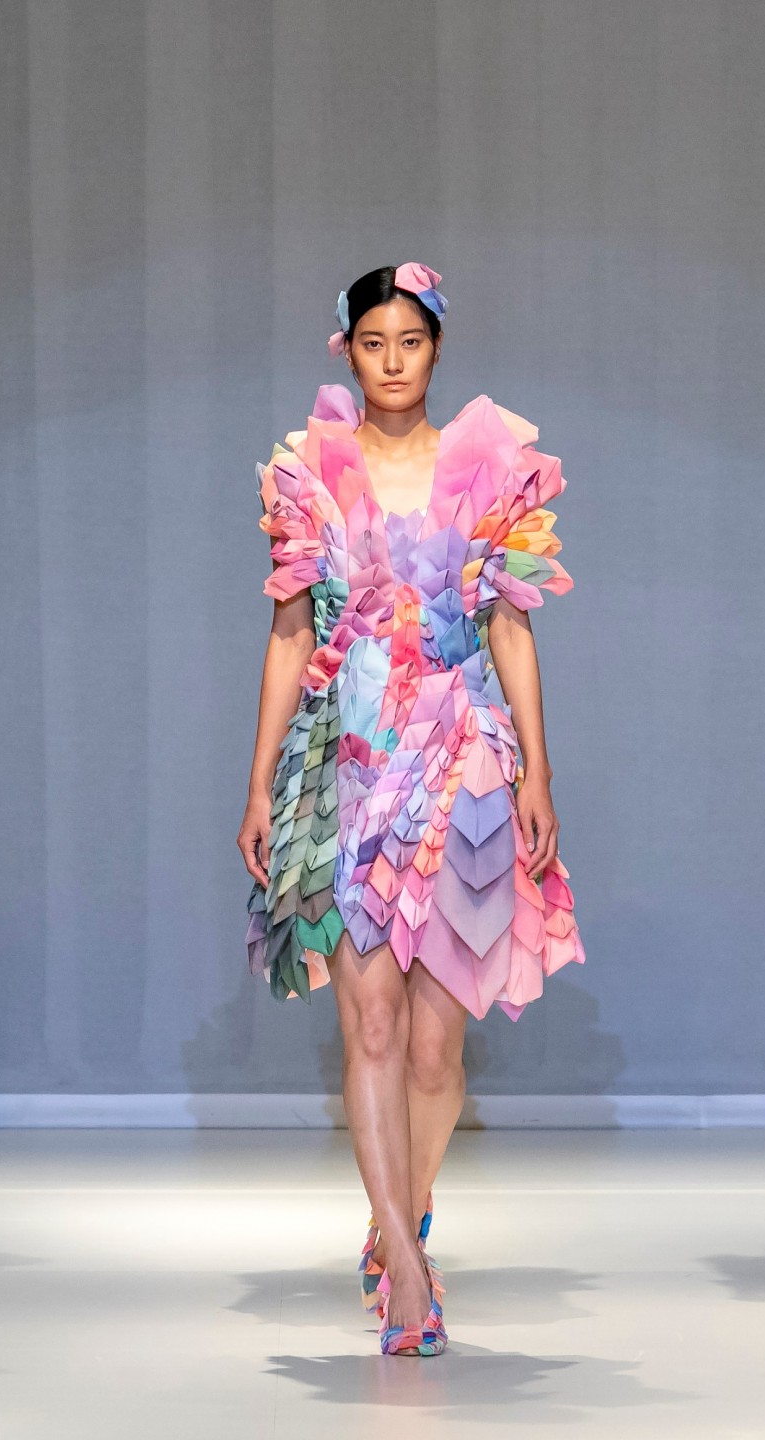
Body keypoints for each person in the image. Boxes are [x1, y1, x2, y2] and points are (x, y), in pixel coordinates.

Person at [237, 261, 586, 1357]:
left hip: (461, 763)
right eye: (373, 342)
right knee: (373, 1024)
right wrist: (258, 782)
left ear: (435, 347)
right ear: (347, 350)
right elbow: (290, 631)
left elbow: (510, 626)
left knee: (436, 1050)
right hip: (343, 765)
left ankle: (405, 1213)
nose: (392, 361)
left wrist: (536, 770)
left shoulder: (489, 471)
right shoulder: (309, 472)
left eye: (411, 341)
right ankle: (404, 1269)